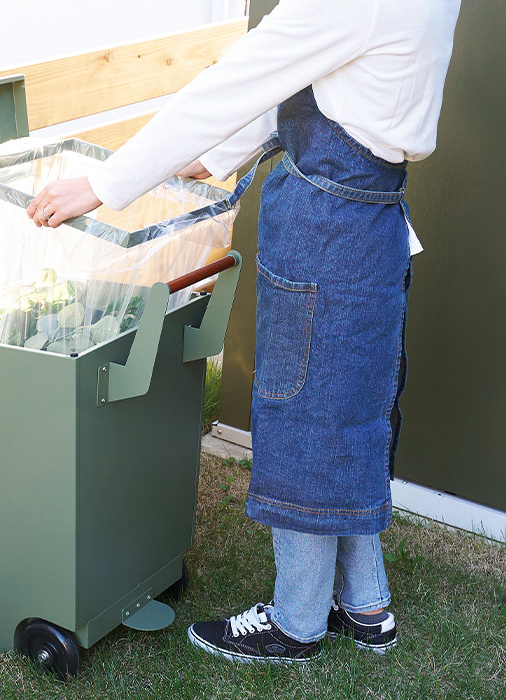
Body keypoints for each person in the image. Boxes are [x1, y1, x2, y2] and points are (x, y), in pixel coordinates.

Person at [27, 0, 461, 664]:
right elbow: (325, 75)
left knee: (304, 417)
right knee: (353, 414)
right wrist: (223, 152)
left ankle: (298, 622)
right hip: (373, 223)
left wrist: (104, 183)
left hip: (327, 226)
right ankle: (367, 608)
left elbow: (240, 77)